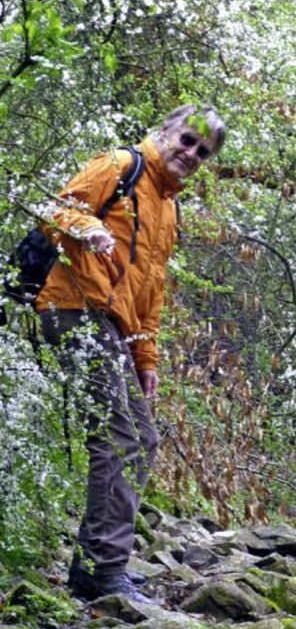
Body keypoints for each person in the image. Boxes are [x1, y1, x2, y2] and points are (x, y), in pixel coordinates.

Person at [36, 105, 226, 601]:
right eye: (187, 140)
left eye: (202, 152)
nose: (190, 154)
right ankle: (104, 574)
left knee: (142, 437)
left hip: (113, 325)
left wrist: (147, 361)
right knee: (121, 438)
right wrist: (88, 229)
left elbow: (150, 292)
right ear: (165, 131)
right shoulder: (120, 165)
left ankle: (93, 566)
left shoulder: (168, 206)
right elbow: (56, 208)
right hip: (74, 304)